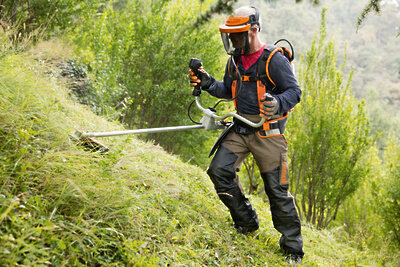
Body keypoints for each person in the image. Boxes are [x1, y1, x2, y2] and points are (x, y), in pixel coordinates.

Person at [189, 6, 304, 263]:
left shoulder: (275, 59)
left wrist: (277, 103)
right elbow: (228, 90)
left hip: (268, 132)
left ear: (253, 31)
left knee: (277, 190)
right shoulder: (235, 60)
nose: (232, 41)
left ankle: (292, 249)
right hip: (240, 128)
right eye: (230, 36)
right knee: (219, 170)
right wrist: (207, 83)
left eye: (237, 36)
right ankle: (247, 221)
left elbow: (294, 92)